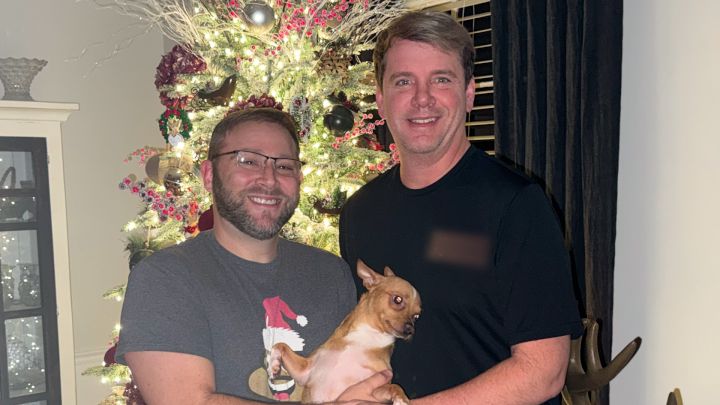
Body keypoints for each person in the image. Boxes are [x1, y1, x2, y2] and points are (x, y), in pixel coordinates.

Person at [339, 11, 583, 405]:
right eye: (404, 81)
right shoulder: (359, 214)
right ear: (381, 100)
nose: (422, 98)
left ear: (469, 94)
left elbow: (544, 371)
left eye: (441, 79)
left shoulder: (516, 205)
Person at [116, 107, 391, 404]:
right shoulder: (165, 278)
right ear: (209, 175)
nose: (269, 179)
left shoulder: (331, 273)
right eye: (248, 161)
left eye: (284, 166)